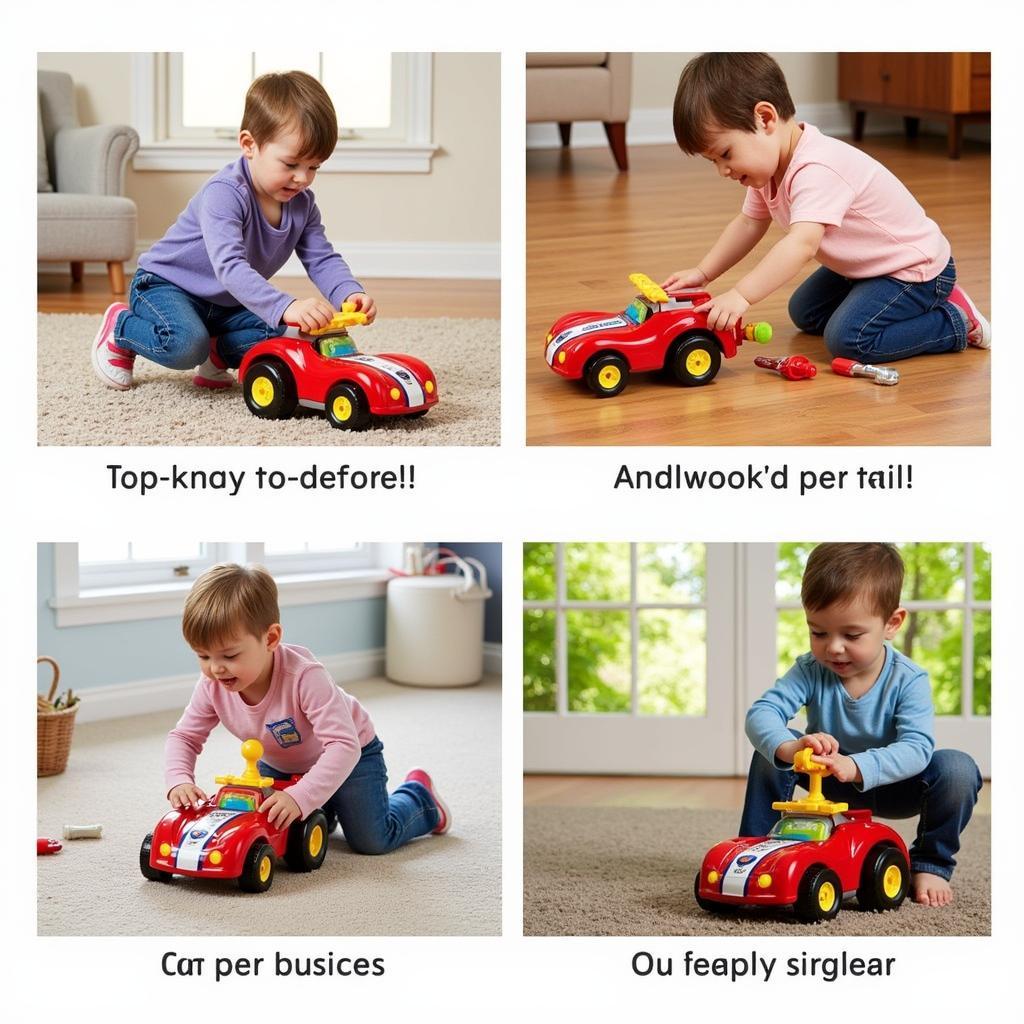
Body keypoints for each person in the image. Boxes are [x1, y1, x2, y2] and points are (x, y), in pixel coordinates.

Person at [664, 53, 990, 362]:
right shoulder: (769, 171)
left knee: (848, 339)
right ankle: (890, 304)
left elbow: (802, 244)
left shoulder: (817, 168)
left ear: (765, 118)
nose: (723, 170)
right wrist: (703, 273)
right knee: (805, 312)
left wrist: (742, 295)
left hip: (913, 270)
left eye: (725, 154)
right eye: (713, 162)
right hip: (866, 267)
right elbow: (749, 223)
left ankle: (955, 320)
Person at [91, 70, 376, 391]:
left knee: (294, 333)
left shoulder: (302, 203)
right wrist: (286, 305)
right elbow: (230, 267)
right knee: (186, 345)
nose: (303, 178)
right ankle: (121, 327)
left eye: (314, 167)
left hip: (226, 303)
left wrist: (348, 292)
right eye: (291, 164)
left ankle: (216, 354)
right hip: (166, 286)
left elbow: (321, 259)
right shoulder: (224, 193)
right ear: (249, 144)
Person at [740, 543, 981, 907]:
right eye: (819, 633)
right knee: (772, 751)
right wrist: (790, 749)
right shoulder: (810, 669)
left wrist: (855, 766)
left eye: (851, 636)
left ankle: (931, 861)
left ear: (891, 624)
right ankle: (754, 853)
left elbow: (917, 748)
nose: (833, 648)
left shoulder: (909, 679)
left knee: (958, 769)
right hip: (830, 784)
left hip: (897, 785)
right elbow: (762, 713)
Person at [165, 563, 449, 855]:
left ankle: (420, 797)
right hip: (279, 763)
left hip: (353, 756)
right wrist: (179, 781)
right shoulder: (211, 684)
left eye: (230, 655)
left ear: (271, 639)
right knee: (272, 828)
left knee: (372, 840)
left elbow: (343, 745)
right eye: (203, 655)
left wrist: (300, 796)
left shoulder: (304, 676)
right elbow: (184, 737)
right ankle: (329, 806)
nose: (215, 668)